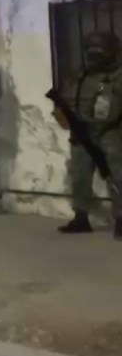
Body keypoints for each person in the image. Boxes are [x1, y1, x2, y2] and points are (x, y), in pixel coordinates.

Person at [54, 32, 122, 239]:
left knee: (116, 177)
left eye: (99, 51)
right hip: (82, 133)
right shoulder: (81, 76)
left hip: (110, 133)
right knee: (80, 177)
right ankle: (81, 218)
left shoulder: (118, 76)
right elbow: (69, 97)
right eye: (90, 50)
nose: (93, 55)